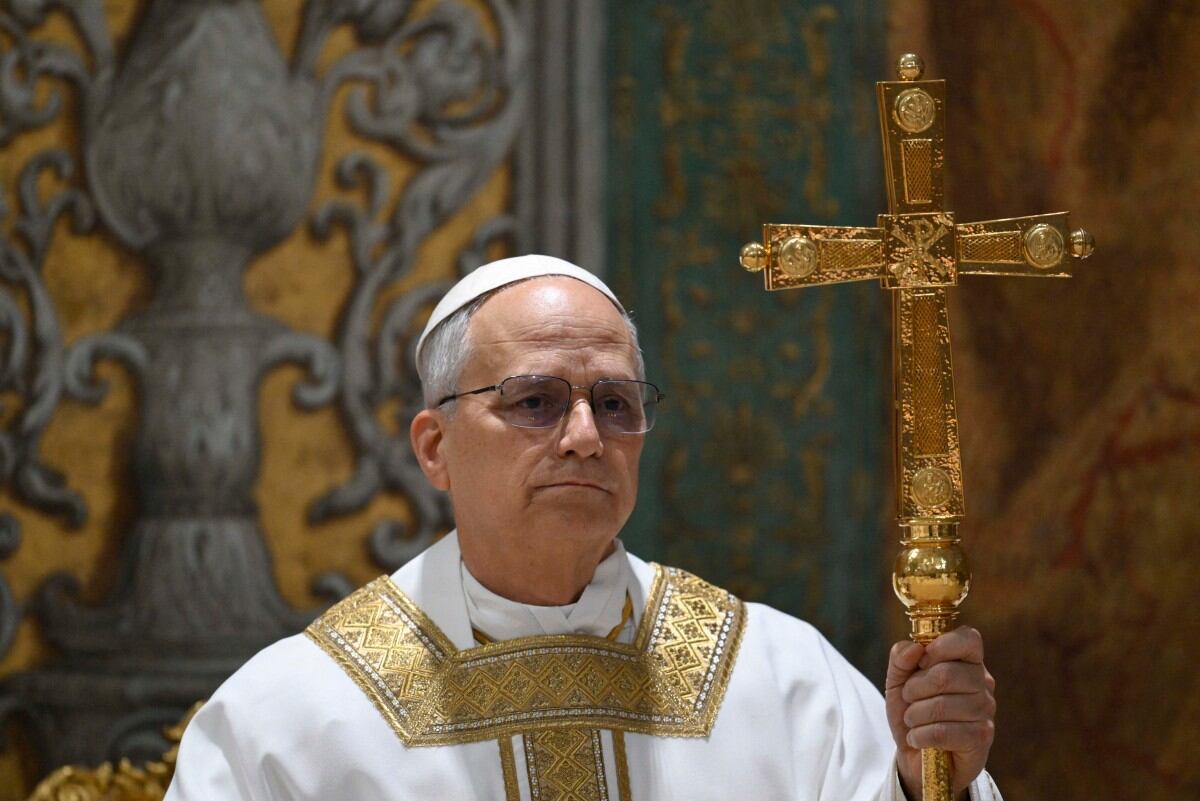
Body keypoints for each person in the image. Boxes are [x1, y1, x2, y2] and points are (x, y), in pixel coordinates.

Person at [165, 255, 998, 801]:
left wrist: (930, 780)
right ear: (435, 446)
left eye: (614, 404)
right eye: (535, 401)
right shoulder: (298, 712)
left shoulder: (778, 680)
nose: (584, 436)